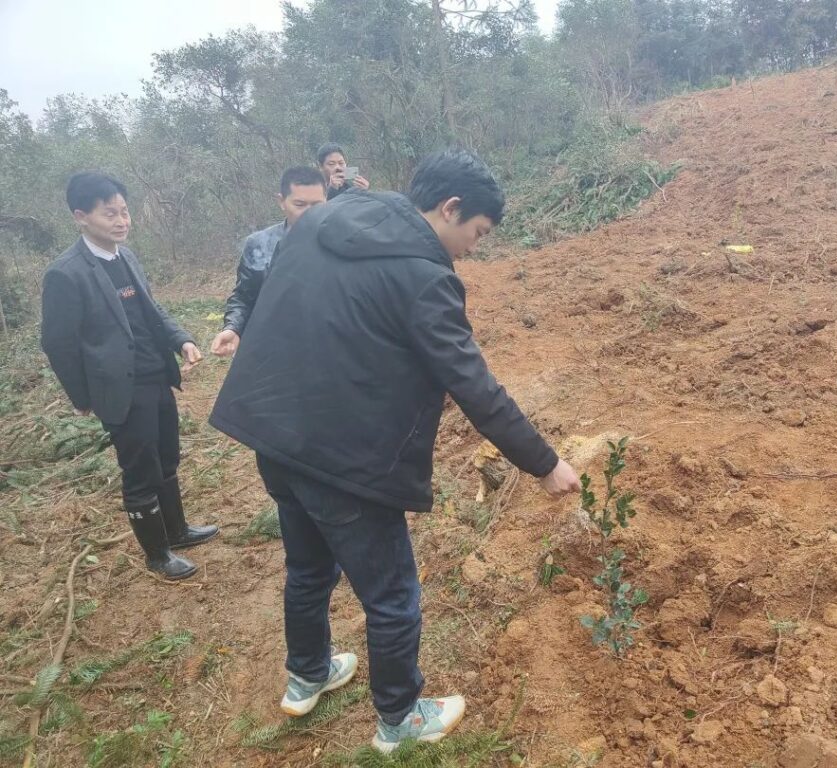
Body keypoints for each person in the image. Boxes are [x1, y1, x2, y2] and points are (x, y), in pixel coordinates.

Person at [209, 149, 581, 751]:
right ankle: (399, 719)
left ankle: (307, 675)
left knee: (307, 567)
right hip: (344, 461)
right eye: (477, 233)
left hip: (273, 432)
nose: (475, 248)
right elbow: (472, 382)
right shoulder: (424, 277)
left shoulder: (327, 219)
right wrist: (544, 463)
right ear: (450, 207)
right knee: (392, 597)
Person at [40, 171, 218, 581]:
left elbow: (153, 312)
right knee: (140, 469)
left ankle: (177, 531)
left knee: (167, 458)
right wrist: (82, 397)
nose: (121, 221)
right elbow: (58, 343)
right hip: (120, 388)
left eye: (124, 211)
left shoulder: (126, 257)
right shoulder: (66, 274)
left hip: (156, 377)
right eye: (110, 214)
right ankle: (157, 555)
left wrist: (182, 340)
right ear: (81, 216)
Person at [210, 166, 327, 358]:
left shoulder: (342, 243)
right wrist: (233, 328)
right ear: (282, 201)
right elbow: (244, 297)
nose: (309, 213)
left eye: (317, 205)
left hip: (327, 351)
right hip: (274, 351)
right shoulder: (259, 244)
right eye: (300, 204)